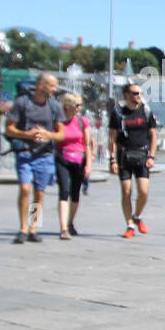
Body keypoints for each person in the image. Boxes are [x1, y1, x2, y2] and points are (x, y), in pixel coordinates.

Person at [4, 73, 63, 243]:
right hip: (25, 153)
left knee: (39, 193)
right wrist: (27, 134)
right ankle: (23, 228)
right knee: (25, 189)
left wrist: (47, 134)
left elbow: (61, 134)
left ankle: (33, 228)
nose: (55, 89)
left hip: (44, 155)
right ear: (40, 84)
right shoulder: (23, 103)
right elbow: (9, 129)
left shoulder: (54, 106)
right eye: (52, 85)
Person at [108, 81, 159, 239]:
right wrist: (112, 160)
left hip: (142, 155)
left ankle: (137, 216)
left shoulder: (146, 111)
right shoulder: (118, 113)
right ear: (127, 95)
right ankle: (129, 224)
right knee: (126, 192)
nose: (139, 96)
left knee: (143, 192)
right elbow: (112, 138)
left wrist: (151, 155)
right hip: (124, 156)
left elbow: (153, 136)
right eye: (136, 93)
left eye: (140, 93)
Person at [54, 93, 94, 239]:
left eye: (80, 105)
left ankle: (70, 222)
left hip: (79, 159)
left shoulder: (83, 121)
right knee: (64, 190)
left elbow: (87, 144)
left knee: (75, 192)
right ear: (67, 106)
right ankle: (63, 227)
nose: (79, 108)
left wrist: (88, 164)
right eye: (76, 105)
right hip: (62, 158)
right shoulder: (58, 121)